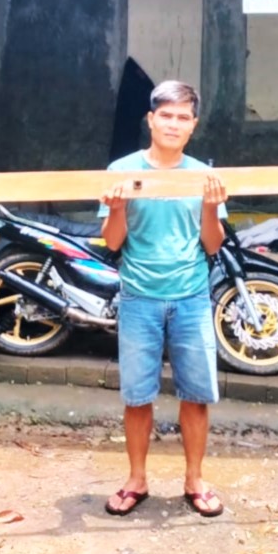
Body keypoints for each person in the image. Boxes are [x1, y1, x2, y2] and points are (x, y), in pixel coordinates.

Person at [99, 80, 228, 519]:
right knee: (137, 396)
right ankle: (137, 479)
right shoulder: (122, 169)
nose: (173, 124)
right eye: (166, 115)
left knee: (196, 394)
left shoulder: (203, 176)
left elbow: (212, 246)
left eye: (183, 117)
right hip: (138, 296)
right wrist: (116, 209)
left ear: (193, 125)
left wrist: (211, 207)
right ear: (151, 120)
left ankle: (195, 479)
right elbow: (112, 242)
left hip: (191, 296)